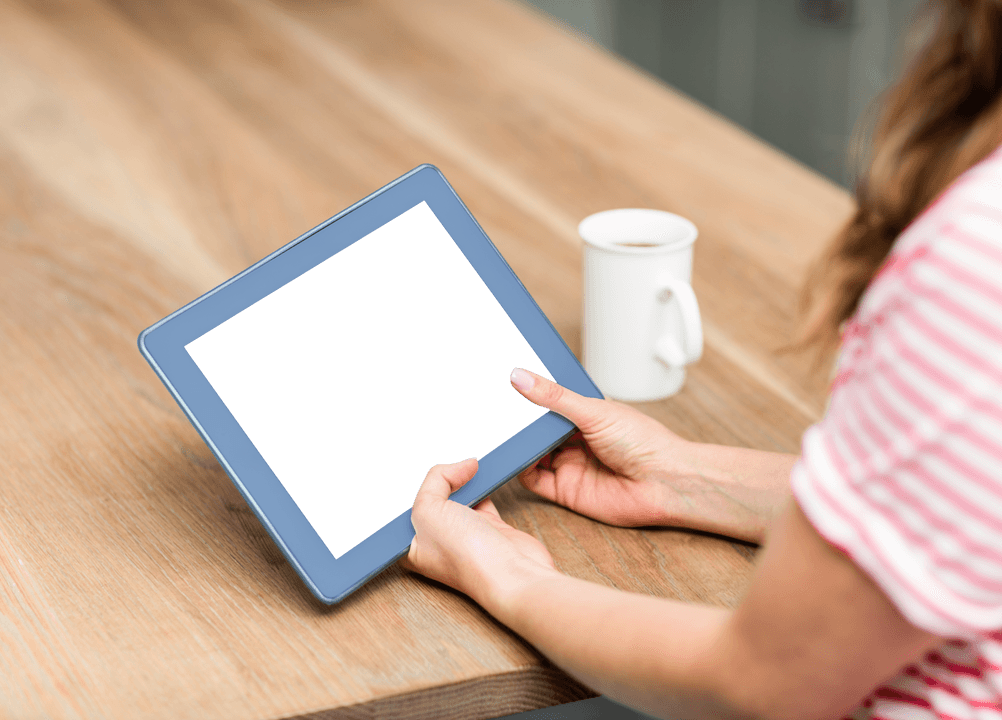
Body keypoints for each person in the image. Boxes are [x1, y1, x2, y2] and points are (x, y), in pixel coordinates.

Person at [400, 2, 1002, 718]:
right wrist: (683, 476)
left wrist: (510, 577)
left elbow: (765, 681)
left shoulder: (975, 258)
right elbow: (955, 508)